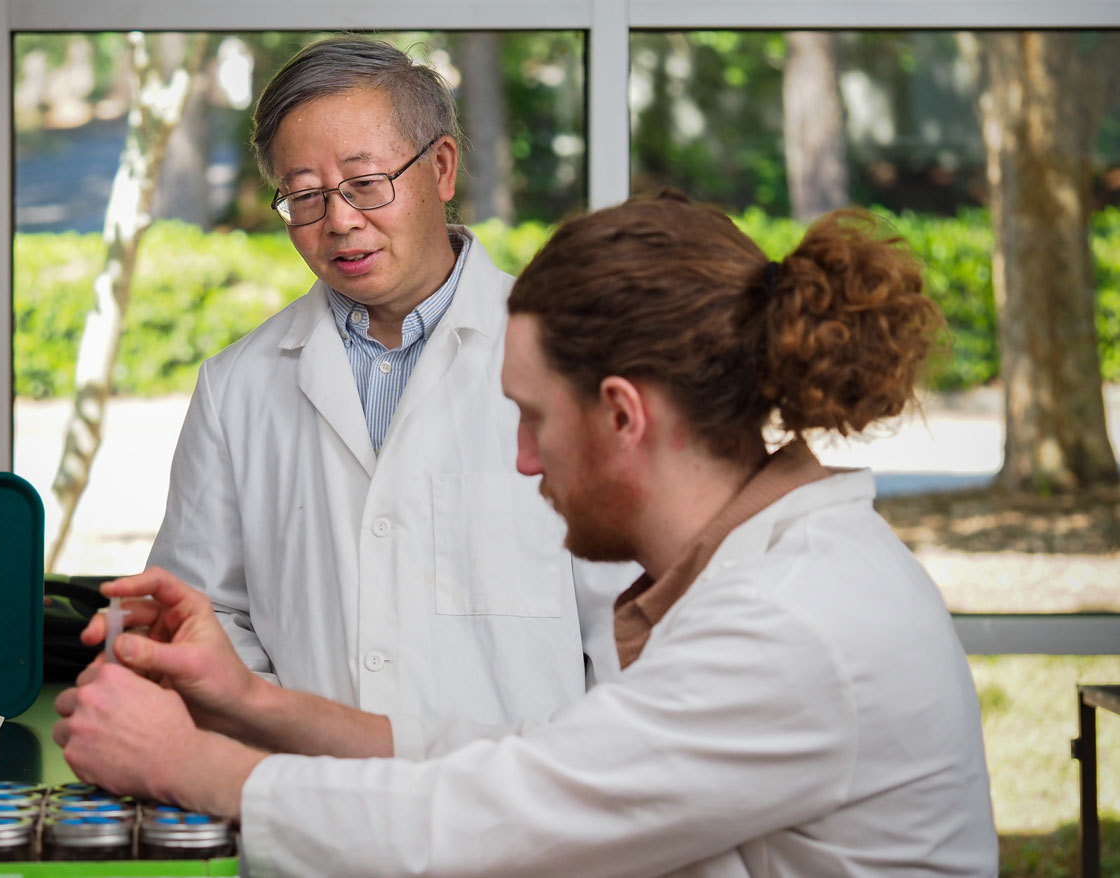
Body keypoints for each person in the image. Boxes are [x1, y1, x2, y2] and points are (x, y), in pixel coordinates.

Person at [55, 191, 999, 876]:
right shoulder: (775, 575)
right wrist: (252, 704)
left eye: (532, 417)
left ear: (622, 414)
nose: (519, 460)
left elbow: (489, 820)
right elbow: (534, 758)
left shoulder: (787, 622)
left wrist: (188, 764)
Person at [146, 35, 632, 729]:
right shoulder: (238, 386)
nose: (340, 221)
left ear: (441, 167)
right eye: (305, 196)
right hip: (315, 805)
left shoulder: (578, 353)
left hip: (526, 813)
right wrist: (293, 739)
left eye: (366, 184)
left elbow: (629, 623)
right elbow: (201, 612)